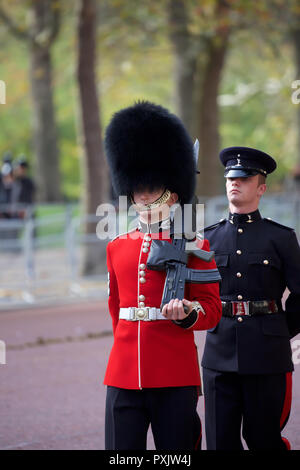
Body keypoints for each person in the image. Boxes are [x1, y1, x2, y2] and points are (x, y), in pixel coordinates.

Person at [103, 101, 222, 450]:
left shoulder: (196, 244)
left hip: (173, 373)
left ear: (172, 195)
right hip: (123, 373)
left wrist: (188, 314)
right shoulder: (117, 247)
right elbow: (116, 310)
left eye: (152, 188)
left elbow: (211, 309)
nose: (142, 195)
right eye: (138, 188)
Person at [202, 146, 300, 450]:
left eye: (244, 179)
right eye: (231, 177)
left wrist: (280, 331)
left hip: (267, 354)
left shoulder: (280, 237)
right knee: (220, 442)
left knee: (264, 440)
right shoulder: (208, 239)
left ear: (261, 188)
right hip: (218, 355)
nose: (235, 182)